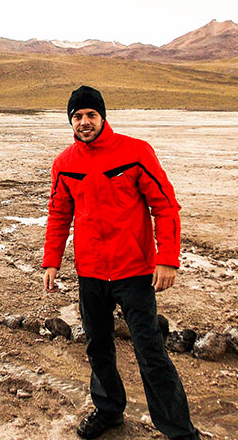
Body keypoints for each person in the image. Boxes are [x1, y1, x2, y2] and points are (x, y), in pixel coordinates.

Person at [42, 85, 199, 440]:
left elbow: (165, 207)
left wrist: (167, 259)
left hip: (135, 272)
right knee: (98, 346)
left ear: (103, 116)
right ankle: (109, 410)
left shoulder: (135, 152)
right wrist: (52, 261)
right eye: (77, 116)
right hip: (91, 273)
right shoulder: (64, 163)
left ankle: (179, 432)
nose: (84, 122)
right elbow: (58, 214)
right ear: (70, 121)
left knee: (151, 354)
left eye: (90, 115)